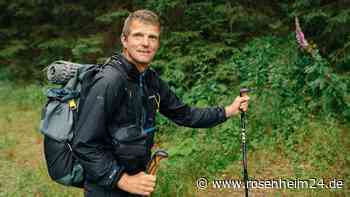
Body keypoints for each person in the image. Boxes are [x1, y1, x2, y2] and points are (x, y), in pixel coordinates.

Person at [72, 9, 249, 197]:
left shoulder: (149, 79)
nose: (145, 43)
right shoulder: (109, 81)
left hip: (139, 182)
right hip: (106, 189)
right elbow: (84, 144)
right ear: (124, 40)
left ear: (158, 43)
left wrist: (228, 110)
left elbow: (185, 115)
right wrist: (122, 180)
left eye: (152, 37)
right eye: (138, 35)